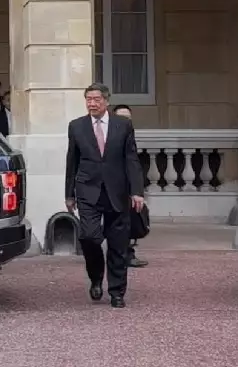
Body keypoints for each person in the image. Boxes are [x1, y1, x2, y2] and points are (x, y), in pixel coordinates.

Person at [64, 83, 145, 308]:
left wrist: (137, 191)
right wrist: (69, 194)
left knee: (118, 244)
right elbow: (72, 161)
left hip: (117, 191)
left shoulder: (123, 125)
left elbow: (131, 159)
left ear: (106, 101)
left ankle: (117, 292)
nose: (92, 103)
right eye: (88, 99)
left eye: (96, 99)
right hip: (87, 190)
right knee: (89, 237)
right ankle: (96, 277)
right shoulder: (77, 126)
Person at [112, 104, 148, 269]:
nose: (125, 121)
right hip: (108, 185)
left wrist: (136, 190)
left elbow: (133, 163)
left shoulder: (129, 135)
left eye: (128, 118)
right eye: (121, 117)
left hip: (126, 186)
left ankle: (127, 254)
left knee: (128, 221)